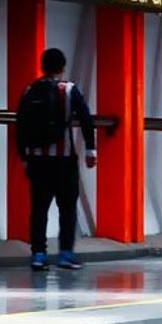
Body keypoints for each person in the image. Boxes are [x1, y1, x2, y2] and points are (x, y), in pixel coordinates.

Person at [15, 47, 98, 271]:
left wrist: (24, 156)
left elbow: (20, 125)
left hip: (37, 161)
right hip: (64, 160)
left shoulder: (29, 90)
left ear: (43, 66)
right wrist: (91, 150)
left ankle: (38, 255)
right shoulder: (69, 90)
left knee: (39, 209)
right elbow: (86, 120)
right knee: (67, 208)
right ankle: (65, 254)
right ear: (62, 67)